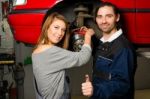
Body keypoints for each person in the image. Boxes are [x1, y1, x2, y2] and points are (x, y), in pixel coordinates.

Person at [31, 12, 94, 99]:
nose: (60, 33)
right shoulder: (51, 52)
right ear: (47, 27)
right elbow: (83, 57)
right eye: (56, 27)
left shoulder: (38, 50)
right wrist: (88, 35)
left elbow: (61, 53)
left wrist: (69, 33)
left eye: (63, 30)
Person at [81, 2, 137, 99]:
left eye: (109, 16)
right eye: (99, 17)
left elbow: (122, 85)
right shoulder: (102, 43)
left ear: (117, 17)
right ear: (96, 19)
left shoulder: (124, 48)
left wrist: (95, 90)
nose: (103, 21)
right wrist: (89, 35)